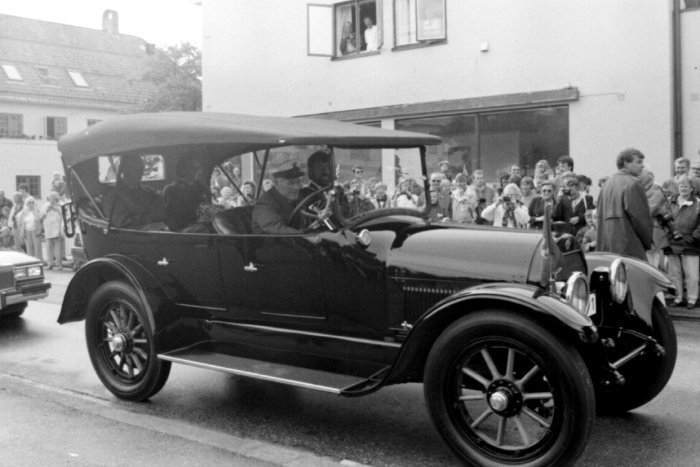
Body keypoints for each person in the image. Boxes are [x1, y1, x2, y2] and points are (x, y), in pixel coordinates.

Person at [596, 148, 653, 260]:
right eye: (639, 162)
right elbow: (640, 219)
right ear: (626, 163)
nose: (642, 166)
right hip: (629, 246)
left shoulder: (607, 184)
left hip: (606, 246)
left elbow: (599, 215)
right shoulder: (633, 183)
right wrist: (647, 242)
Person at [251, 161, 330, 234]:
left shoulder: (302, 196)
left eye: (298, 181)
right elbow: (276, 229)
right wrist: (311, 237)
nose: (296, 187)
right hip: (276, 243)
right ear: (277, 183)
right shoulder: (265, 204)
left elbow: (311, 218)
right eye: (290, 183)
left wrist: (324, 214)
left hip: (298, 241)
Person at [664, 175, 700, 309]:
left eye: (686, 186)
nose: (683, 188)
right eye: (681, 185)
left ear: (692, 188)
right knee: (674, 273)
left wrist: (694, 237)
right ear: (677, 187)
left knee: (692, 274)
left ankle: (692, 299)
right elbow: (664, 219)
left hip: (691, 244)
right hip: (673, 243)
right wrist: (669, 234)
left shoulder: (698, 203)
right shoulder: (670, 201)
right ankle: (678, 298)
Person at [104, 156, 165, 229]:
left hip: (160, 230)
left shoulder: (148, 191)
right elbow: (122, 222)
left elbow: (163, 209)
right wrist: (149, 222)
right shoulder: (113, 194)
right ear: (125, 170)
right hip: (133, 234)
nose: (139, 173)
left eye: (141, 169)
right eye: (135, 169)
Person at [641, 169, 669, 269]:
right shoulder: (642, 190)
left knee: (653, 258)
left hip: (654, 228)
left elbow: (650, 209)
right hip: (646, 227)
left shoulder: (655, 190)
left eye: (640, 175)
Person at [40, 192, 63, 269]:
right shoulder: (45, 205)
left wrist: (55, 209)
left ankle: (59, 264)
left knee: (58, 248)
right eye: (50, 198)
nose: (51, 199)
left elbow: (64, 214)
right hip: (48, 228)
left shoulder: (61, 204)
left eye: (52, 198)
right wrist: (47, 210)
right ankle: (50, 264)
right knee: (48, 247)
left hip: (57, 228)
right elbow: (41, 216)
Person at [17, 196, 43, 261]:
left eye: (32, 202)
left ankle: (39, 261)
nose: (31, 204)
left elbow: (41, 218)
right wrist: (22, 231)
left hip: (36, 230)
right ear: (27, 204)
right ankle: (31, 261)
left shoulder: (37, 211)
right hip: (27, 231)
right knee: (29, 248)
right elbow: (19, 221)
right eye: (29, 202)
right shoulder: (23, 212)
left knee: (37, 248)